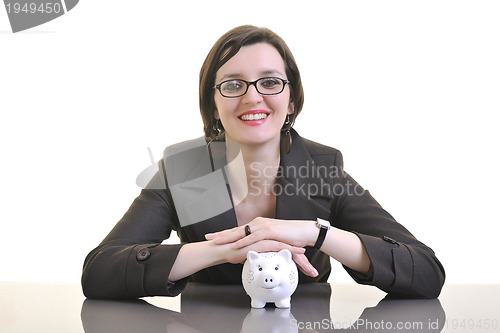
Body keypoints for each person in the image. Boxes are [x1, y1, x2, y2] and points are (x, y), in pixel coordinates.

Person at [81, 25, 445, 299]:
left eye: (269, 82)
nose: (252, 97)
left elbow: (426, 273)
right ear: (213, 104)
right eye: (233, 84)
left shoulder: (321, 167)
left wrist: (313, 233)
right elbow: (99, 272)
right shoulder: (186, 168)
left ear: (291, 100)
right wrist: (227, 248)